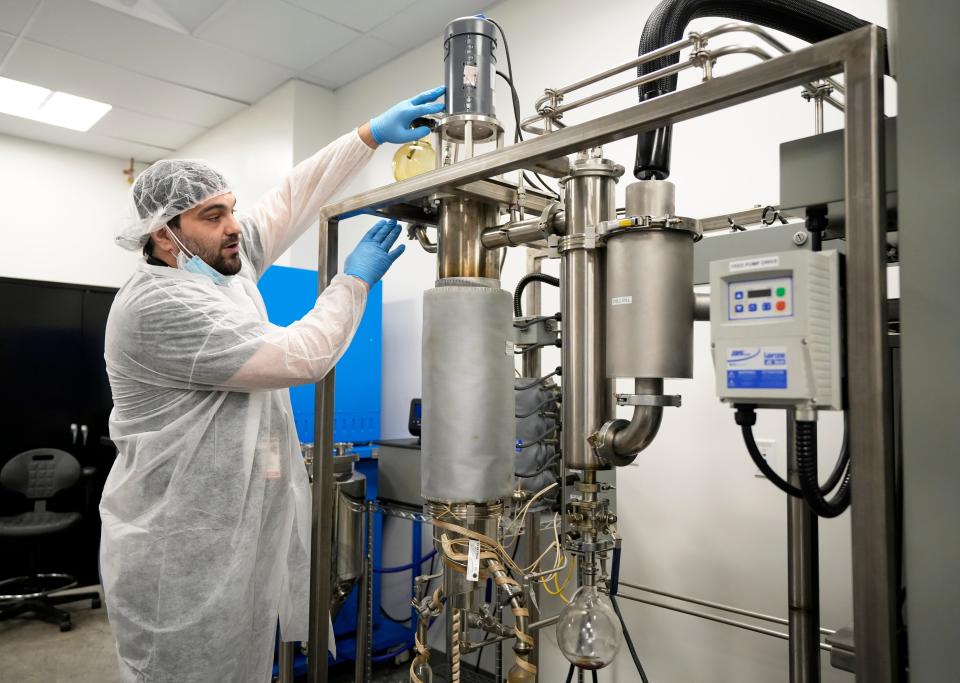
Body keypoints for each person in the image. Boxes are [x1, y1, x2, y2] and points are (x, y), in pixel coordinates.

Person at [100, 86, 445, 683]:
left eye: (230, 207)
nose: (235, 226)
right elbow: (302, 356)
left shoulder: (218, 268)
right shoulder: (159, 305)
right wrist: (352, 282)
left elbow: (291, 197)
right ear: (163, 234)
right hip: (180, 547)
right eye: (214, 215)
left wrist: (368, 135)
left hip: (235, 529)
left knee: (244, 664)